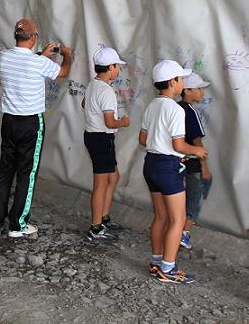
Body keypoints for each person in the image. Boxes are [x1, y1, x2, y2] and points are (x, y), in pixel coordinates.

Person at [0, 18, 72, 238]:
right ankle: (18, 224)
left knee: (5, 171)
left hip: (9, 121)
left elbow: (24, 63)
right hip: (30, 123)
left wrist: (40, 55)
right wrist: (68, 55)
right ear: (34, 37)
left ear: (15, 36)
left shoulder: (4, 57)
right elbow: (62, 72)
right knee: (27, 173)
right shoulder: (37, 63)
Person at [140, 60, 208, 284]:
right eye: (181, 79)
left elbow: (143, 139)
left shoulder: (152, 105)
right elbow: (179, 146)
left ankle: (157, 261)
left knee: (160, 216)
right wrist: (196, 151)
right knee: (177, 220)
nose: (183, 83)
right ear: (172, 82)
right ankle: (168, 269)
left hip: (150, 163)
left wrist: (161, 145)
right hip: (167, 168)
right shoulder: (176, 109)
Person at [82, 45, 131, 243]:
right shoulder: (107, 92)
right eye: (117, 66)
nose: (118, 69)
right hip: (102, 138)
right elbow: (110, 122)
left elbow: (84, 104)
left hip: (94, 136)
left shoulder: (93, 84)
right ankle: (95, 228)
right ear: (110, 67)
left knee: (113, 177)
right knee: (101, 184)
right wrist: (124, 122)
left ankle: (104, 218)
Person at [178, 72, 212, 251]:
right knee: (195, 196)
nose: (201, 93)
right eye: (198, 89)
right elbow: (198, 142)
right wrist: (203, 165)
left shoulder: (175, 108)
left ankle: (177, 228)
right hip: (191, 162)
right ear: (187, 90)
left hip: (175, 162)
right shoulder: (190, 112)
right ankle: (185, 231)